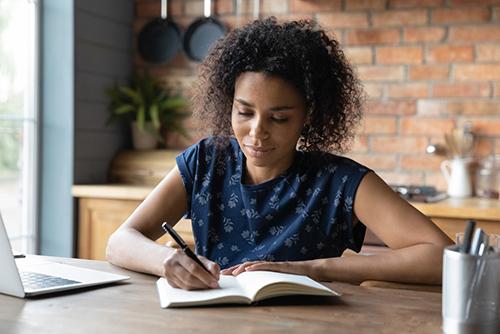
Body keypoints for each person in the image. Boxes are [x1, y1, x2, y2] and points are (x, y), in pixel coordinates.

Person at [106, 17, 452, 290]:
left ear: (309, 116)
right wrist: (164, 262)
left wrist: (313, 269)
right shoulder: (207, 162)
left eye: (279, 118)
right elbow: (120, 241)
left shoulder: (339, 182)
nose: (257, 132)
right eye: (244, 113)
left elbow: (443, 257)